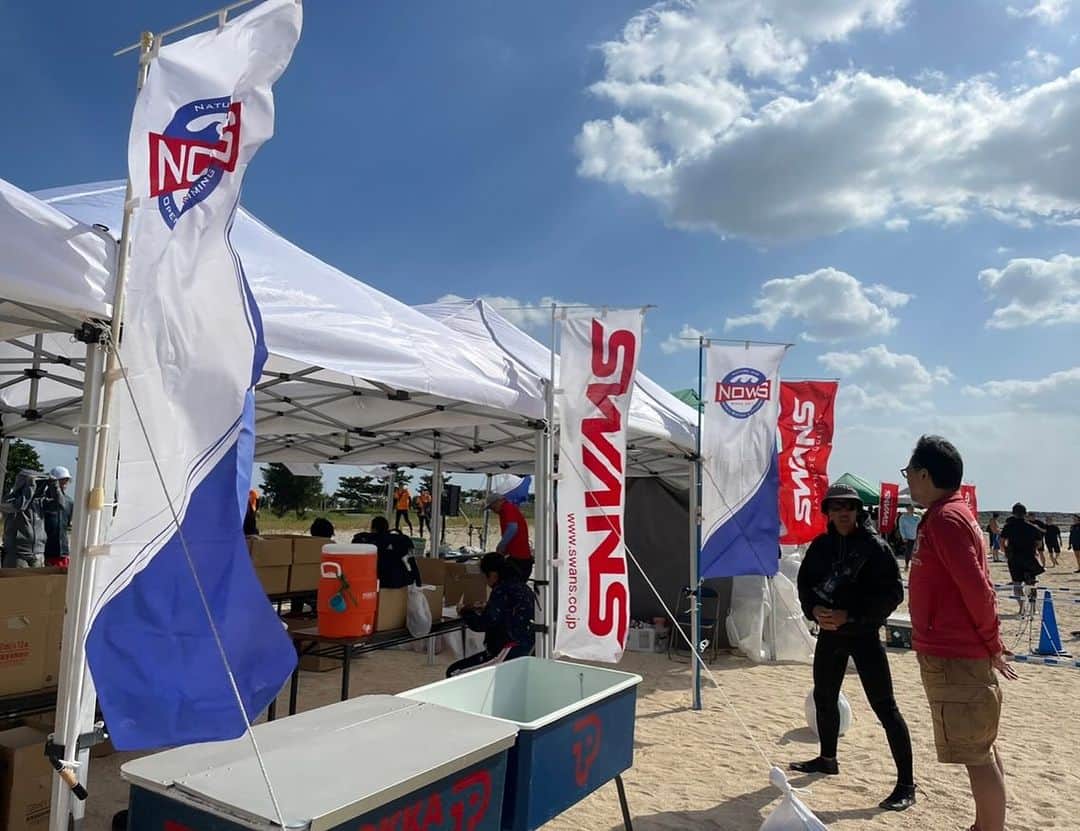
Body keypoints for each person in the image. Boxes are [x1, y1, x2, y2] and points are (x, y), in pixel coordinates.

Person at [903, 435, 1016, 831]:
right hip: (957, 652)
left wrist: (992, 643)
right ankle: (983, 825)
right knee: (980, 749)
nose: (907, 480)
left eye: (909, 472)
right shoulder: (950, 513)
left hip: (957, 656)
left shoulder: (946, 519)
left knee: (976, 755)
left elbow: (978, 589)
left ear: (924, 474)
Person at [791, 483, 916, 812]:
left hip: (864, 635)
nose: (843, 513)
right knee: (824, 697)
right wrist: (814, 610)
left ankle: (906, 785)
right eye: (836, 507)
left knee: (885, 707)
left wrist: (853, 615)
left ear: (858, 511)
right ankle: (827, 759)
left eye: (848, 507)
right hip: (830, 634)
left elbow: (893, 594)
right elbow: (805, 585)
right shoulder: (821, 546)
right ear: (828, 513)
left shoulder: (875, 547)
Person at [446, 553, 535, 677]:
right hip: (523, 648)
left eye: (484, 576)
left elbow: (484, 623)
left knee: (454, 673)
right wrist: (487, 607)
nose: (485, 581)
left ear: (493, 574)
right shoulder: (522, 587)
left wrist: (465, 612)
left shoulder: (502, 589)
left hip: (507, 651)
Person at [999, 503, 1044, 615]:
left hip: (1014, 558)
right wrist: (1032, 549)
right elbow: (1039, 543)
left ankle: (1022, 608)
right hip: (1029, 558)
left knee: (1017, 584)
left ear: (1013, 513)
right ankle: (1033, 608)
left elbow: (1002, 542)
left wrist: (1006, 552)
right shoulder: (1032, 527)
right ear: (1025, 513)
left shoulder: (1008, 526)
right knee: (1031, 584)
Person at [353, 515, 420, 589]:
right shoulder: (402, 539)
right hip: (399, 582)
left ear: (373, 529)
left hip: (375, 581)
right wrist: (418, 582)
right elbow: (412, 562)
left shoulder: (364, 539)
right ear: (387, 528)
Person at [1, 469, 49, 568]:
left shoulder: (39, 502)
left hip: (38, 553)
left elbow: (60, 505)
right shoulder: (9, 500)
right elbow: (19, 507)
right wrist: (30, 488)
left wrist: (54, 486)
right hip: (17, 554)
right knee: (16, 578)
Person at [486, 492, 532, 579]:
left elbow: (512, 528)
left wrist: (501, 545)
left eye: (492, 507)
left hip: (519, 557)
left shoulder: (507, 508)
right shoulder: (505, 510)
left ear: (498, 502)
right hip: (516, 555)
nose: (493, 510)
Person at [42, 466, 74, 568]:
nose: (65, 483)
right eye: (62, 480)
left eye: (66, 480)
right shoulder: (42, 499)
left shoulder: (69, 502)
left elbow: (67, 524)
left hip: (63, 550)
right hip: (45, 550)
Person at [897, 503, 919, 573]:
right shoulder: (903, 517)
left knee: (916, 552)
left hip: (916, 537)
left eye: (913, 508)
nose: (912, 510)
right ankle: (906, 564)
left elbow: (919, 527)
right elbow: (901, 527)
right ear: (907, 509)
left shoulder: (917, 517)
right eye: (910, 508)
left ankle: (915, 566)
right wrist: (903, 536)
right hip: (908, 537)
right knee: (908, 551)